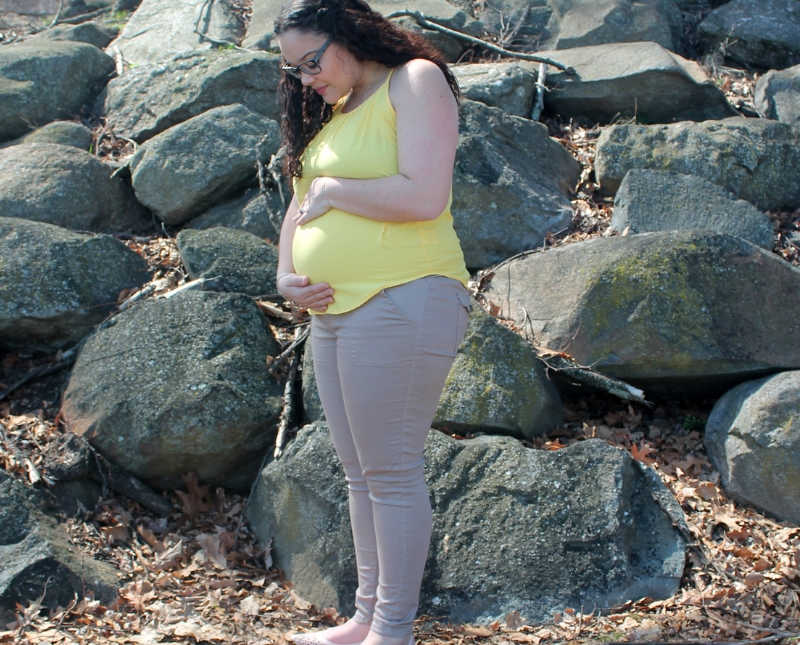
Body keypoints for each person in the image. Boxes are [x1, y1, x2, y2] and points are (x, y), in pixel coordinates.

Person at [273, 2, 471, 644]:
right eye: (294, 70)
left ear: (351, 34)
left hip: (405, 293)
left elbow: (424, 195)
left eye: (313, 62)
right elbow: (300, 202)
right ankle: (364, 618)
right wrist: (285, 275)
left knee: (390, 471)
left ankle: (394, 630)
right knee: (360, 473)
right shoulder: (335, 113)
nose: (306, 79)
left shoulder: (414, 80)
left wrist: (335, 192)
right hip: (336, 310)